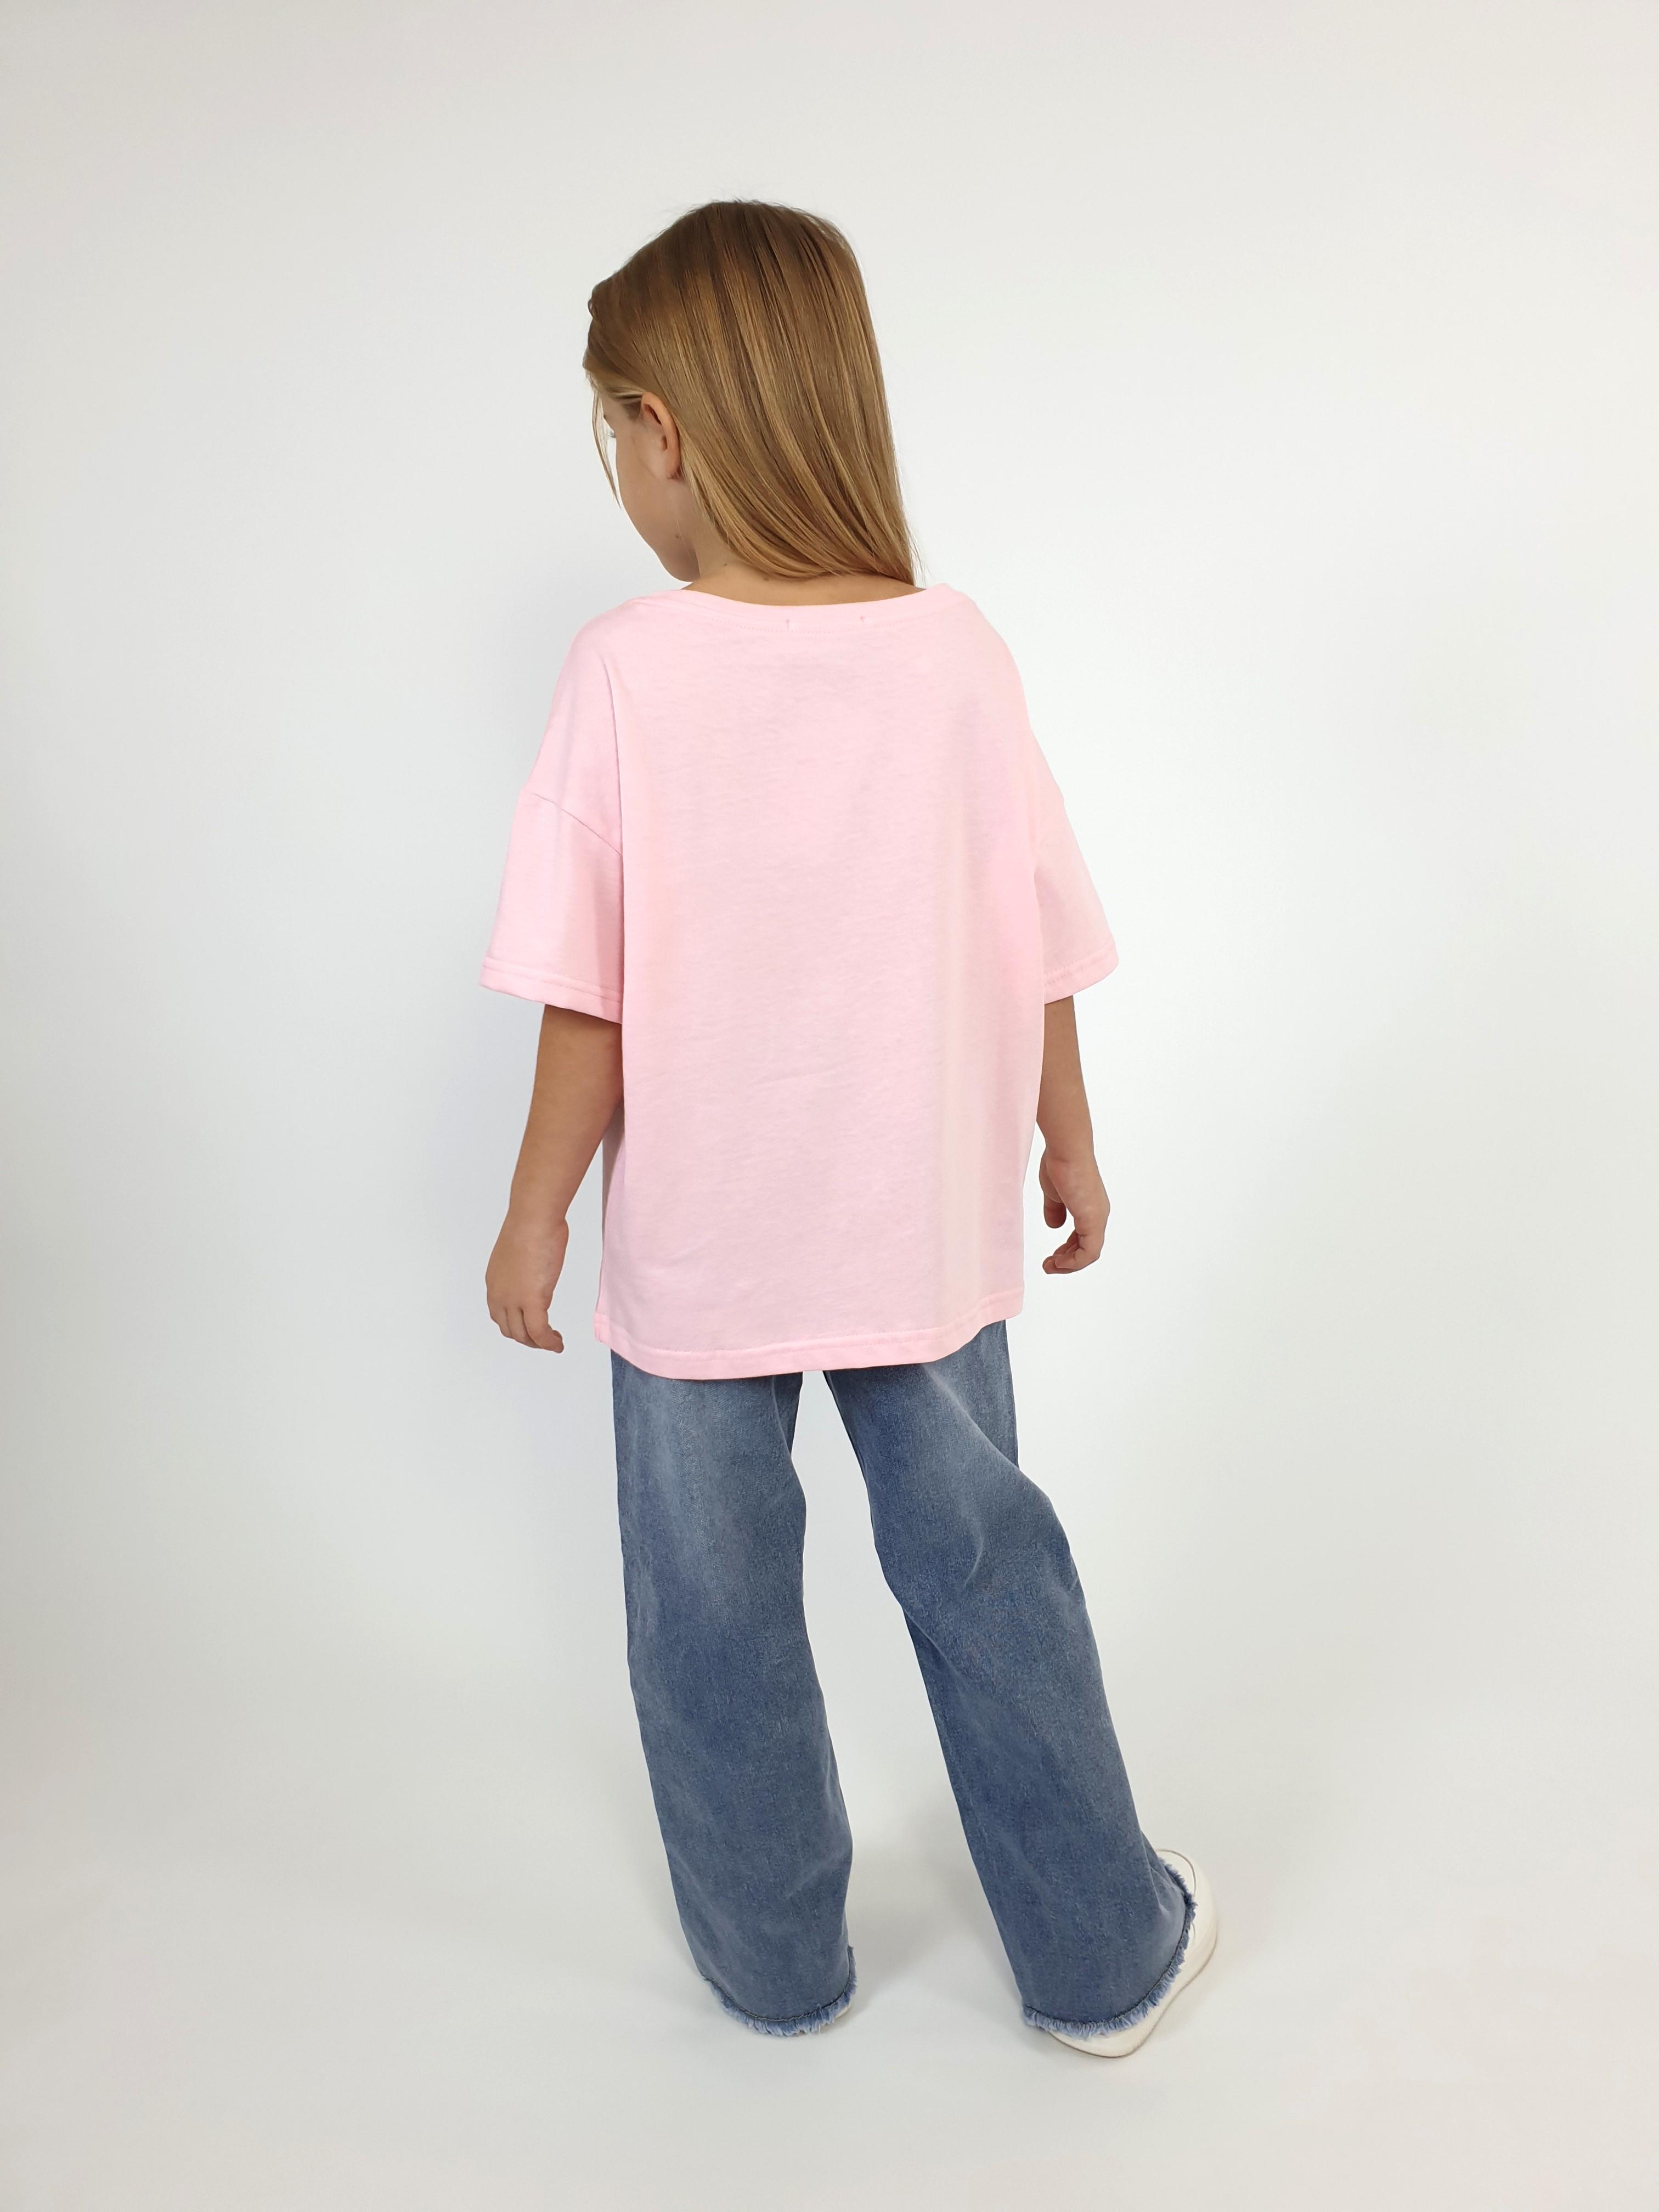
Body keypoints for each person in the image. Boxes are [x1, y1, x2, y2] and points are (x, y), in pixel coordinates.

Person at [479, 200, 1216, 2054]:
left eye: (611, 434)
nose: (617, 476)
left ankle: (773, 1969)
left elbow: (589, 996)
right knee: (989, 1576)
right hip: (921, 1231)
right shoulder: (954, 651)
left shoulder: (625, 669)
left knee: (708, 1618)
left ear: (667, 431)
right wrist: (1068, 1136)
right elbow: (1034, 936)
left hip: (703, 1256)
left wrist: (537, 1211)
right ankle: (1102, 1960)